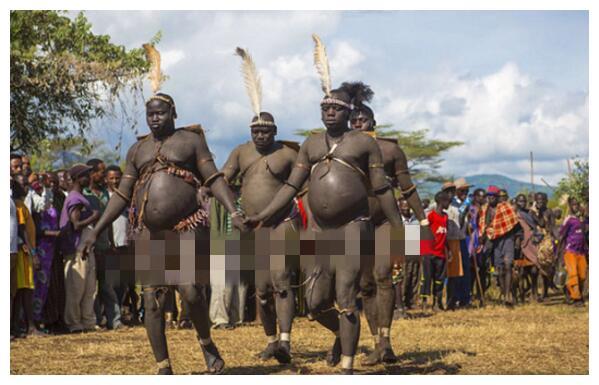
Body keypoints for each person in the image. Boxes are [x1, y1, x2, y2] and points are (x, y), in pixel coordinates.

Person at [245, 36, 403, 374]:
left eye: (334, 109)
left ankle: (346, 367)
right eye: (324, 108)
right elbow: (291, 186)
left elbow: (382, 188)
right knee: (316, 303)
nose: (328, 112)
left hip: (352, 227)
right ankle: (343, 336)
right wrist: (262, 215)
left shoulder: (363, 144)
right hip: (317, 230)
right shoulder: (311, 144)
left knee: (346, 295)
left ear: (347, 112)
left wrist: (400, 231)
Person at [79, 89, 247, 374]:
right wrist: (96, 230)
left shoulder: (191, 141)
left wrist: (234, 210)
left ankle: (206, 344)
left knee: (190, 290)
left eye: (160, 113)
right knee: (151, 298)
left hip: (186, 226)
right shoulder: (137, 150)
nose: (155, 119)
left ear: (173, 114)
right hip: (148, 231)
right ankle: (163, 366)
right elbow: (122, 194)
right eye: (150, 114)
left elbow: (214, 179)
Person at [212, 47, 300, 362]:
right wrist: (215, 196)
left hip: (283, 224)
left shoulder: (288, 154)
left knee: (281, 281)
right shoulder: (240, 152)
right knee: (261, 290)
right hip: (253, 227)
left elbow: (301, 187)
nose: (260, 135)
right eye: (255, 130)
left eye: (265, 130)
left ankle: (286, 341)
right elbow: (223, 177)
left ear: (275, 132)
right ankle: (271, 340)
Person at [350, 83, 430, 365]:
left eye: (363, 120)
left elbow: (407, 189)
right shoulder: (341, 151)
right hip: (355, 225)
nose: (358, 123)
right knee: (366, 284)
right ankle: (375, 342)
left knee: (384, 275)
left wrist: (423, 220)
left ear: (374, 122)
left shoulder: (390, 150)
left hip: (386, 221)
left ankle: (386, 342)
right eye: (354, 120)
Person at [60, 164, 100, 333]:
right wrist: (93, 217)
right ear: (77, 178)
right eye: (85, 175)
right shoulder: (75, 198)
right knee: (76, 289)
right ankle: (74, 323)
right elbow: (75, 224)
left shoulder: (81, 197)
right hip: (77, 249)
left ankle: (88, 322)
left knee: (89, 289)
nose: (89, 178)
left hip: (86, 248)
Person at [85, 158, 122, 330]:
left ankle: (115, 320)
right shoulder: (84, 194)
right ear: (92, 173)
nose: (103, 174)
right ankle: (95, 320)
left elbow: (108, 222)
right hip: (89, 248)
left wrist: (112, 243)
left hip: (105, 246)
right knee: (91, 288)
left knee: (108, 287)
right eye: (101, 171)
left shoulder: (105, 195)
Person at [11, 178, 43, 337]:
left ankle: (18, 327)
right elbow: (22, 230)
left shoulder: (21, 205)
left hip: (24, 252)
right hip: (24, 253)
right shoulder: (17, 206)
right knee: (25, 291)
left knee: (21, 291)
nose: (26, 187)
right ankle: (29, 327)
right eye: (22, 184)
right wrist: (33, 253)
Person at [478, 186, 519, 307]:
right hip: (494, 241)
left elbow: (514, 224)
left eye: (493, 196)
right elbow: (484, 226)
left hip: (507, 239)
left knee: (508, 265)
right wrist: (483, 235)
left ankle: (507, 296)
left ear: (497, 197)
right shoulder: (485, 210)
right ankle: (502, 293)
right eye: (488, 196)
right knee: (499, 269)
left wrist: (516, 239)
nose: (490, 198)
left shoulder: (505, 208)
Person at [420, 191, 451, 311]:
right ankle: (424, 303)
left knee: (439, 280)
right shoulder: (431, 216)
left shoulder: (445, 216)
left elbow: (445, 234)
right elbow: (423, 232)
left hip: (441, 253)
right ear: (441, 202)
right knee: (426, 278)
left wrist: (448, 250)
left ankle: (437, 302)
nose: (449, 203)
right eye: (448, 201)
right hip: (429, 252)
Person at [558, 197, 588, 307]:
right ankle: (576, 299)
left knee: (583, 275)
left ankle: (569, 291)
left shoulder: (582, 219)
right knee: (573, 274)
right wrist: (559, 253)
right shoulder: (568, 219)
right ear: (570, 206)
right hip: (570, 250)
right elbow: (561, 235)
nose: (576, 206)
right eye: (574, 205)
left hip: (581, 251)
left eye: (577, 204)